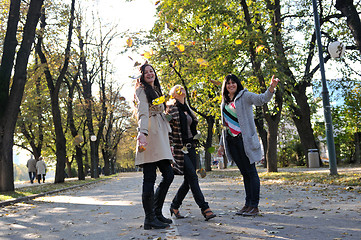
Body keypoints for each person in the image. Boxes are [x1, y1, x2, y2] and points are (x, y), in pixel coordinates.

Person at [217, 74, 279, 217]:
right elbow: (225, 125)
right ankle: (247, 204)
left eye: (233, 83)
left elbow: (261, 99)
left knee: (251, 172)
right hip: (231, 142)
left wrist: (271, 88)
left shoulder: (244, 96)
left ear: (238, 84)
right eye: (228, 83)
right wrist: (221, 145)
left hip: (245, 141)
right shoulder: (224, 102)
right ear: (225, 86)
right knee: (245, 173)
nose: (231, 85)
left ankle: (254, 206)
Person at [166, 85, 216, 221]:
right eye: (177, 89)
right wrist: (170, 148)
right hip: (179, 148)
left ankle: (175, 206)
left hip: (191, 147)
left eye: (182, 88)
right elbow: (168, 131)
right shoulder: (171, 108)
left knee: (189, 180)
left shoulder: (188, 109)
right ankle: (205, 209)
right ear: (173, 95)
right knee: (193, 178)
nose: (181, 89)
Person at [134, 63, 174, 230]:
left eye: (152, 71)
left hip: (161, 136)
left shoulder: (157, 91)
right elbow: (142, 111)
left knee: (169, 174)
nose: (150, 74)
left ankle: (156, 213)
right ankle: (149, 218)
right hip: (149, 135)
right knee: (149, 178)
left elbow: (161, 115)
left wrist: (169, 139)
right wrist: (142, 132)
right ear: (142, 76)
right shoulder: (141, 90)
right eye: (146, 72)